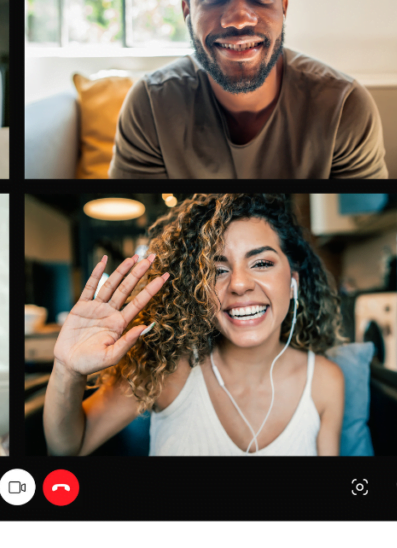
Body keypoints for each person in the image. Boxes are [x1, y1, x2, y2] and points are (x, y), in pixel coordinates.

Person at [44, 194, 345, 456]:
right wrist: (67, 370)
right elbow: (69, 447)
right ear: (196, 289)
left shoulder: (325, 381)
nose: (239, 284)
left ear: (293, 281)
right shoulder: (169, 369)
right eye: (217, 270)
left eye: (261, 263)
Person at [110, 0, 387, 179]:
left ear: (283, 8)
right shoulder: (149, 106)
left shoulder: (344, 106)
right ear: (188, 12)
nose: (239, 19)